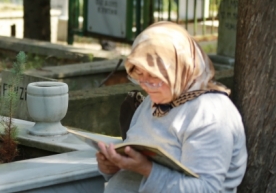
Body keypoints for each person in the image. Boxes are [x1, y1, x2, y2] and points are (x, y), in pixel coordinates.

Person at [96, 21, 247, 192]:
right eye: (139, 75)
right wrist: (113, 166)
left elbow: (207, 188)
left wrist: (147, 169)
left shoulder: (209, 112)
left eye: (154, 76)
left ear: (181, 68)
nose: (146, 85)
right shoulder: (153, 102)